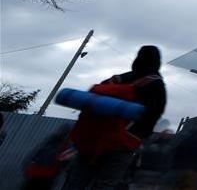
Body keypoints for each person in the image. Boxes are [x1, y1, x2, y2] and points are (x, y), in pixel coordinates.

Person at [62, 45, 168, 189]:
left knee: (77, 181)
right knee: (105, 184)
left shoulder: (120, 78)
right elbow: (152, 116)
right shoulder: (157, 86)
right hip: (122, 144)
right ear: (157, 62)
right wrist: (139, 135)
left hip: (93, 139)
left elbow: (94, 96)